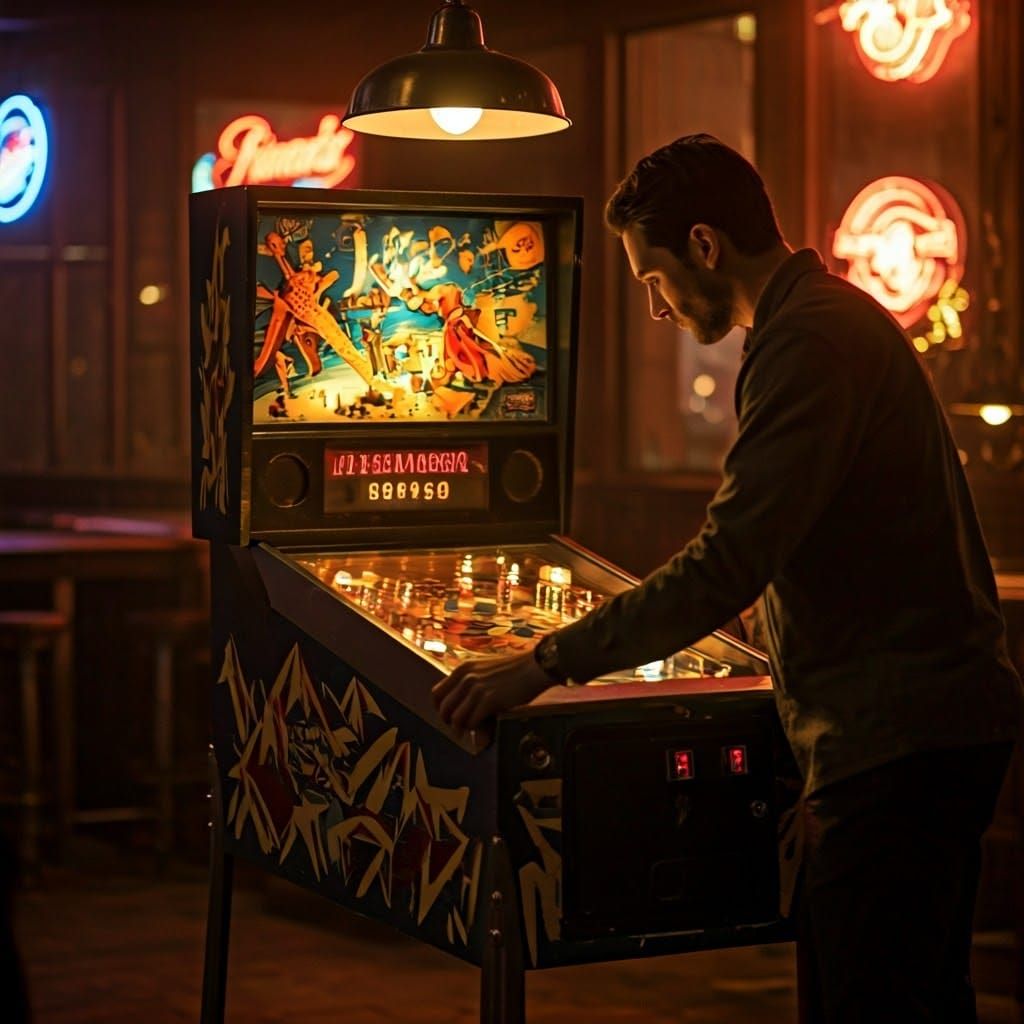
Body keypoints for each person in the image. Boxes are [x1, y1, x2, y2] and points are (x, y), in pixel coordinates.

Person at [432, 133, 1024, 1023]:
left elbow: (726, 561)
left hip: (898, 736)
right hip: (920, 727)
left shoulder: (809, 342)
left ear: (705, 245)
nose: (658, 309)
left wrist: (540, 664)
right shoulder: (822, 322)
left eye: (653, 280)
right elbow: (795, 545)